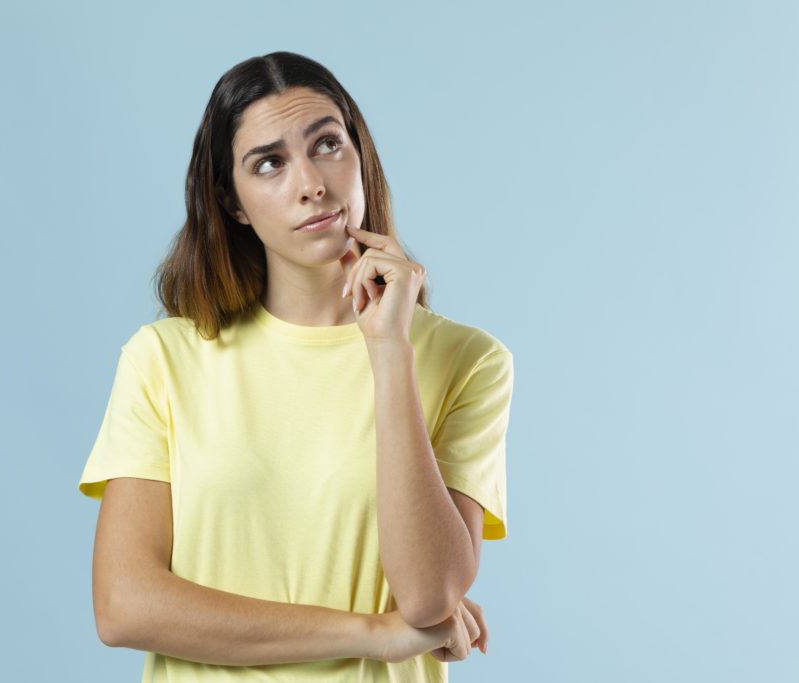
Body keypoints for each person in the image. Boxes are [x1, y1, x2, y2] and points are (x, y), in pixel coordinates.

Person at [77, 51, 515, 682]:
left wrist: (390, 352)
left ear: (360, 156)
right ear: (232, 203)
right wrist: (374, 633)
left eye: (328, 144)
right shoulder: (164, 359)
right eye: (270, 163)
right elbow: (124, 606)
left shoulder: (468, 361)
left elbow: (428, 596)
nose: (312, 182)